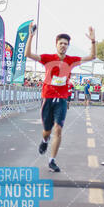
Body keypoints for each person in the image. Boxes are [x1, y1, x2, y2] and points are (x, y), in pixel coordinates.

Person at [25, 22, 96, 172]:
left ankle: (52, 160)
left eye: (65, 44)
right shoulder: (47, 58)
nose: (63, 46)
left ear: (68, 46)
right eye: (61, 43)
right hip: (48, 98)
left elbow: (92, 56)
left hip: (62, 99)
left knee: (58, 129)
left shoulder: (71, 60)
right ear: (56, 44)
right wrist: (30, 36)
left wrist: (93, 41)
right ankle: (44, 140)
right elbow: (28, 54)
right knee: (47, 130)